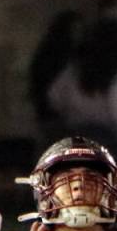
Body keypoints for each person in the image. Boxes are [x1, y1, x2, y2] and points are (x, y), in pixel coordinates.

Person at [46, 17, 117, 164]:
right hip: (105, 139)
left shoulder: (75, 68)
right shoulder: (115, 70)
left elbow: (53, 97)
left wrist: (69, 112)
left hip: (73, 136)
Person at [27, 9, 85, 139]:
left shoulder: (47, 53)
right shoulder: (61, 57)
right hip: (57, 117)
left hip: (52, 115)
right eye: (76, 30)